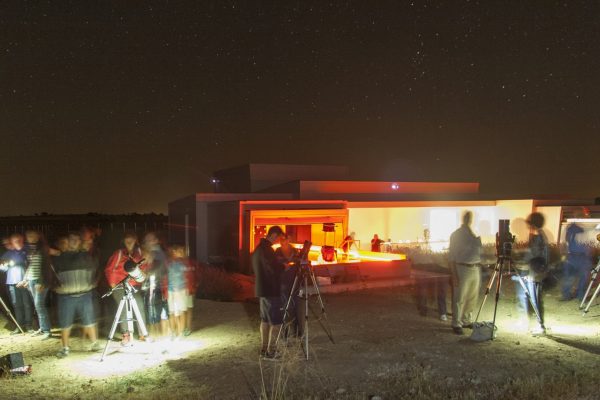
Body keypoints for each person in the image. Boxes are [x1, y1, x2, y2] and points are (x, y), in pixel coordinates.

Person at [52, 232, 100, 358]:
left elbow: (96, 268)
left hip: (85, 294)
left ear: (80, 242)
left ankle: (95, 343)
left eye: (76, 240)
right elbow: (49, 272)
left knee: (89, 320)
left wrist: (94, 282)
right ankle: (65, 348)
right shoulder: (58, 257)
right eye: (71, 239)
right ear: (67, 241)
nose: (74, 241)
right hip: (65, 296)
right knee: (65, 323)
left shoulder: (86, 256)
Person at [104, 232, 148, 345]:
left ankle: (143, 333)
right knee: (123, 309)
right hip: (119, 286)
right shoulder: (118, 254)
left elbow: (144, 269)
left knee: (139, 306)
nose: (129, 241)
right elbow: (109, 269)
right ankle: (126, 335)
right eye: (127, 239)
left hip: (133, 285)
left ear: (135, 240)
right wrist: (112, 284)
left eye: (132, 239)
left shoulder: (139, 254)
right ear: (123, 241)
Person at [252, 225, 285, 359]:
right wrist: (283, 267)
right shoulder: (268, 250)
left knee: (265, 320)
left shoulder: (258, 249)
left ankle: (264, 349)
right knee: (276, 322)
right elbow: (272, 269)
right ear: (274, 235)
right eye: (278, 238)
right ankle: (271, 352)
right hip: (271, 290)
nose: (278, 241)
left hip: (262, 290)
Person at [449, 211, 482, 335]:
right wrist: (454, 274)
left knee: (472, 296)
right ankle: (456, 322)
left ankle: (466, 319)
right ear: (463, 219)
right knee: (460, 296)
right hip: (462, 267)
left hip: (475, 267)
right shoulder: (456, 235)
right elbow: (451, 256)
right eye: (467, 217)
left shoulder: (473, 233)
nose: (469, 219)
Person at [0, 234, 34, 334]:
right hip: (12, 282)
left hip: (24, 281)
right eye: (15, 241)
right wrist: (3, 265)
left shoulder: (26, 251)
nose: (17, 242)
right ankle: (19, 325)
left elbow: (30, 264)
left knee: (27, 304)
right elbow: (3, 267)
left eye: (19, 240)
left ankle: (29, 325)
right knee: (16, 305)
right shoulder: (8, 253)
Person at [522, 212, 549, 336]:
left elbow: (533, 254)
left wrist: (523, 261)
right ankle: (540, 324)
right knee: (537, 299)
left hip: (536, 272)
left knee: (535, 299)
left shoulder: (538, 237)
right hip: (540, 271)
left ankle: (541, 326)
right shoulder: (542, 235)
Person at [23, 230, 53, 339]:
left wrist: (41, 282)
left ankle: (47, 331)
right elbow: (30, 266)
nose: (29, 237)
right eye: (28, 236)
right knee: (37, 306)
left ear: (38, 237)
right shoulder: (29, 249)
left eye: (32, 235)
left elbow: (45, 267)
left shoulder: (43, 249)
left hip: (40, 281)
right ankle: (42, 328)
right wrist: (25, 279)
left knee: (39, 305)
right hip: (31, 280)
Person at [561, 208, 593, 302]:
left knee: (578, 277)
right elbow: (566, 241)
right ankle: (575, 295)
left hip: (578, 255)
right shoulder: (573, 228)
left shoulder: (574, 227)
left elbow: (566, 241)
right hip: (577, 256)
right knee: (577, 277)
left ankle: (575, 295)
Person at [142, 232, 169, 338]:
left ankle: (157, 336)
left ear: (155, 241)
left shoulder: (156, 254)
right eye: (146, 240)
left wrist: (145, 272)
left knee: (155, 313)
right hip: (158, 287)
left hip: (156, 287)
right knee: (159, 313)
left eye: (150, 240)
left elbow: (154, 268)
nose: (147, 242)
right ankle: (160, 336)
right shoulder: (158, 253)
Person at [275, 234, 301, 338]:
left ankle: (296, 331)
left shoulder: (295, 251)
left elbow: (298, 263)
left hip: (293, 281)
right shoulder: (277, 251)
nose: (283, 242)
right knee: (283, 306)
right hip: (282, 282)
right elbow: (275, 264)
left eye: (284, 240)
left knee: (294, 306)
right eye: (281, 240)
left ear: (288, 240)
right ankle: (284, 331)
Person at [166, 245, 189, 339]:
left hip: (181, 289)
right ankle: (173, 332)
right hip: (171, 290)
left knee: (181, 311)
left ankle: (181, 332)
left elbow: (187, 275)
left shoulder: (183, 263)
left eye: (179, 251)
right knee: (171, 311)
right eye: (175, 250)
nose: (177, 252)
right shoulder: (169, 262)